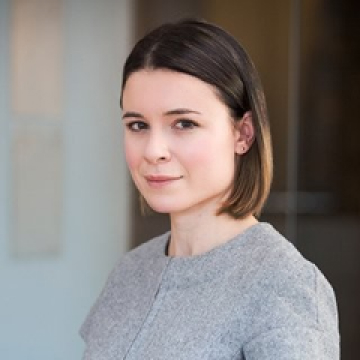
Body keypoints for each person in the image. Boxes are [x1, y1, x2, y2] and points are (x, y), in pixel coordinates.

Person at [80, 19, 340, 359]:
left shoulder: (285, 285)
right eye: (138, 125)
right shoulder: (130, 272)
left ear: (243, 134)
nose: (153, 150)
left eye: (184, 123)